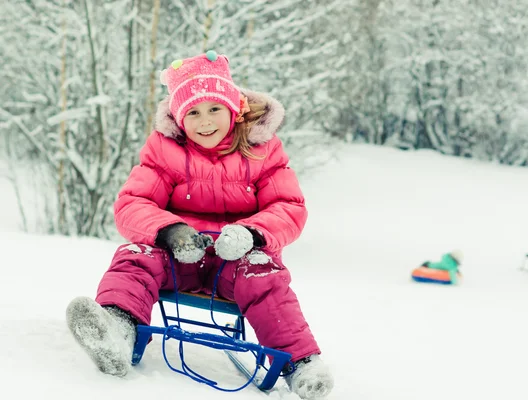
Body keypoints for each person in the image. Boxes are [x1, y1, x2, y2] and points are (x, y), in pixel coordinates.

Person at [65, 51, 333, 399]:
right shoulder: (164, 149)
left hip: (235, 260)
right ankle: (116, 328)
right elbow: (133, 202)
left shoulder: (262, 151)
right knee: (134, 256)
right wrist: (170, 231)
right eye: (192, 112)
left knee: (263, 274)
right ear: (179, 116)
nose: (204, 121)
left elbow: (288, 206)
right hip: (180, 257)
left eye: (213, 109)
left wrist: (251, 234)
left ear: (234, 109)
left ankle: (301, 363)